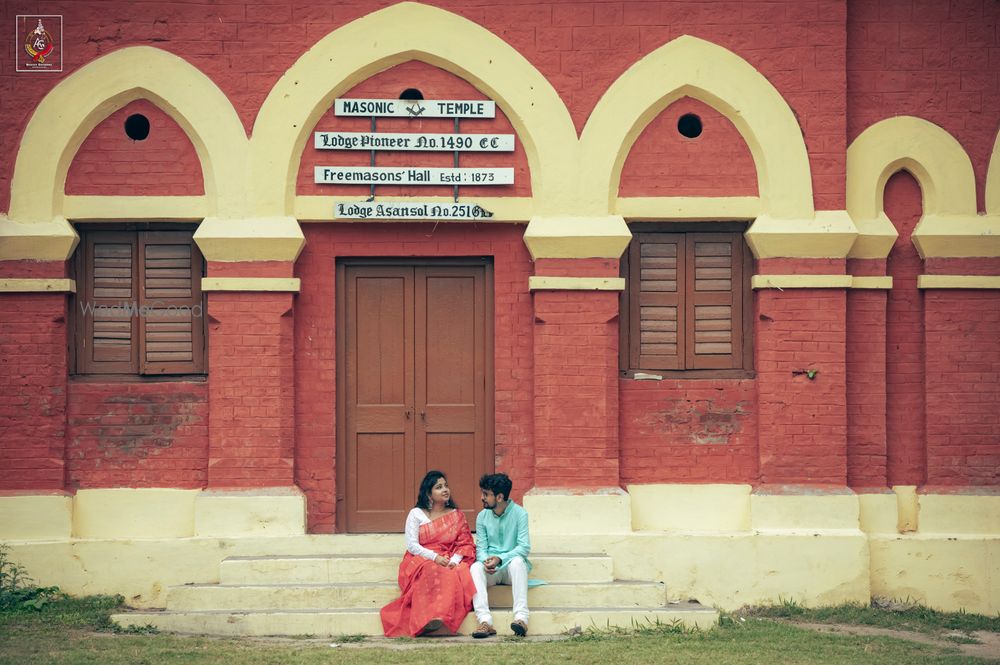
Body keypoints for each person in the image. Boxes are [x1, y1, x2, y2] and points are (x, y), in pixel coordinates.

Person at [380, 470, 477, 637]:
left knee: (456, 572)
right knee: (432, 569)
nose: (445, 489)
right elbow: (412, 545)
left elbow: (465, 542)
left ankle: (439, 616)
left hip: (448, 556)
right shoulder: (416, 514)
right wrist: (435, 557)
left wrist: (454, 560)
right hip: (421, 557)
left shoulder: (456, 515)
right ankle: (426, 618)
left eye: (446, 486)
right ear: (428, 493)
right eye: (439, 487)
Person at [470, 472, 532, 638]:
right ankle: (485, 621)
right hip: (492, 570)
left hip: (512, 569)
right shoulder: (482, 516)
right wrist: (486, 561)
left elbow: (524, 547)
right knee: (475, 567)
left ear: (499, 497)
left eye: (486, 494)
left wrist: (501, 559)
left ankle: (521, 619)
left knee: (518, 562)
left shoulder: (520, 514)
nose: (482, 497)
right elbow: (481, 549)